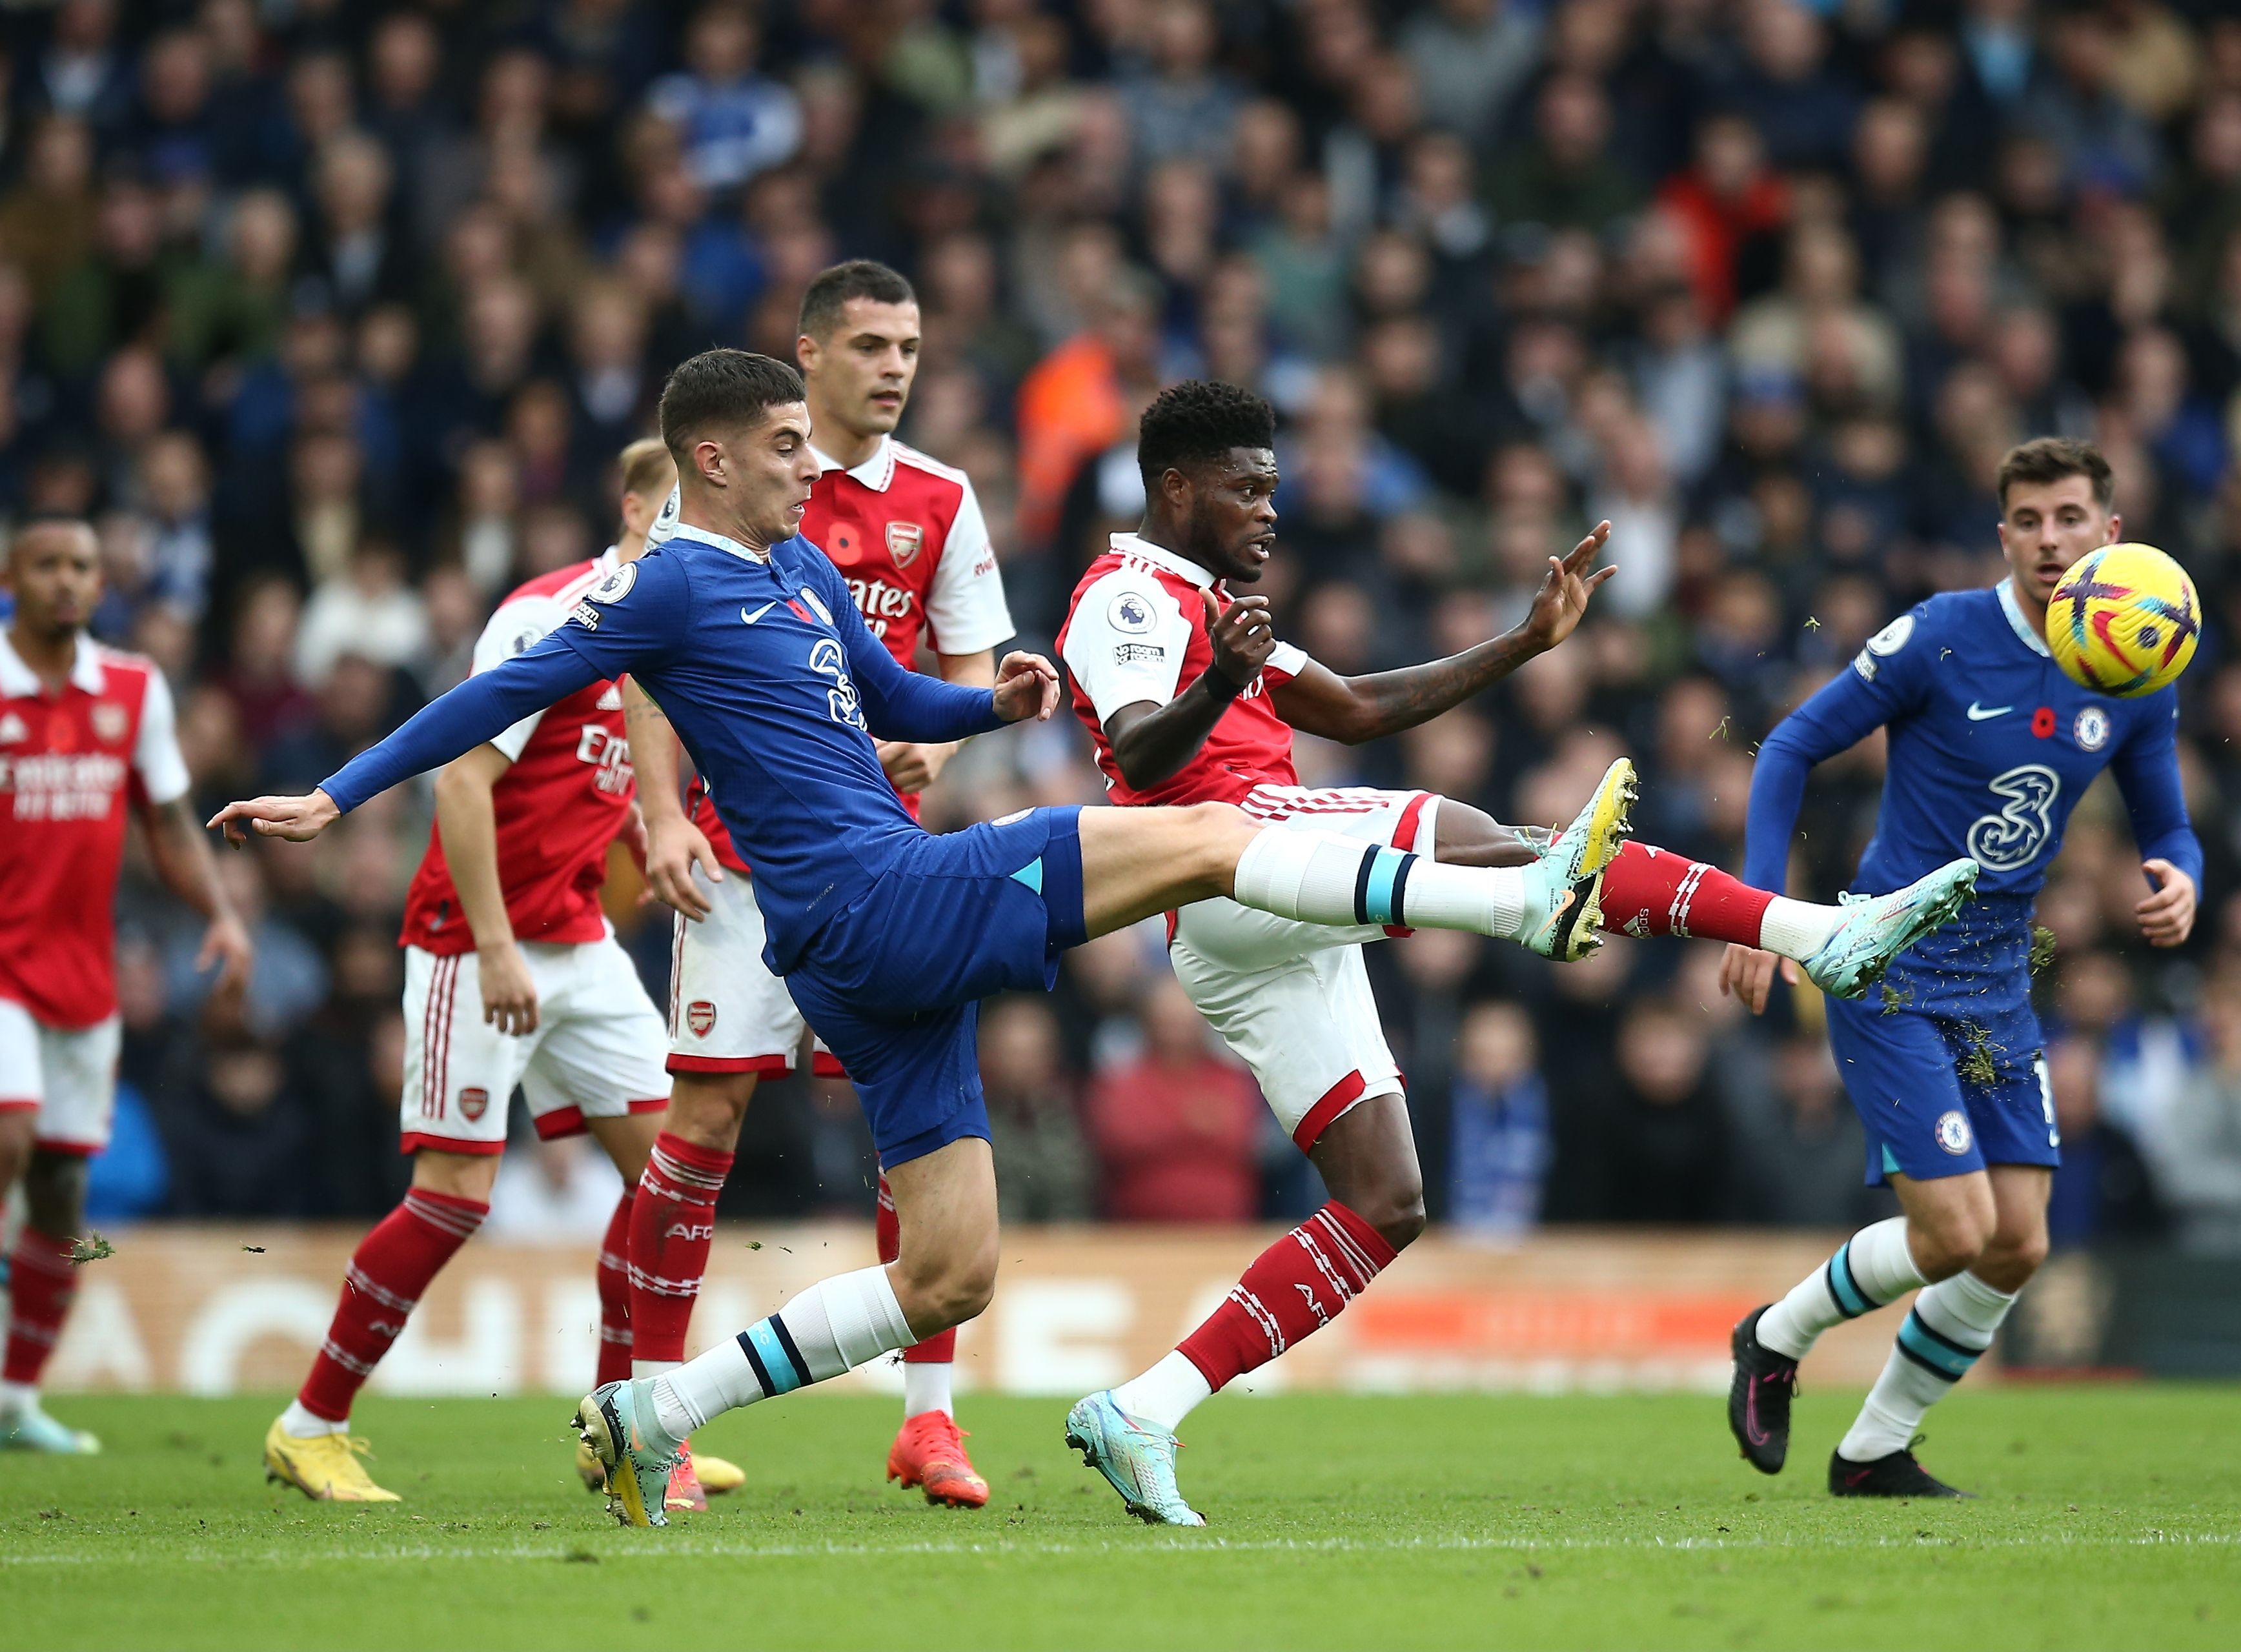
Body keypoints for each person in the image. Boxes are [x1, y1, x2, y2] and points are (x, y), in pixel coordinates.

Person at [210, 347, 1639, 1528]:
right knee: (1213, 832)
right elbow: (489, 700)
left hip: (851, 951)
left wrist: (999, 705)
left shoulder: (802, 575)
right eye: (780, 444)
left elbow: (896, 696)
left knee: (949, 1272)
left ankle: (655, 1407)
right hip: (879, 897)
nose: (804, 465)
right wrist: (337, 793)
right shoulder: (662, 583)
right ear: (710, 458)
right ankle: (1518, 896)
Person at [1049, 381, 1980, 1524]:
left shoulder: (1217, 604)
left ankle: (1144, 1408)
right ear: (1175, 488)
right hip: (1219, 861)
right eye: (1248, 488)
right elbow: (1143, 762)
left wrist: (1526, 642)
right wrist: (1222, 678)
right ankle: (1811, 932)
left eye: (1275, 488)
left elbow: (1356, 706)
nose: (1269, 510)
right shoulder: (1125, 596)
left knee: (1385, 1200)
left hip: (1263, 916)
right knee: (1503, 845)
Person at [259, 441, 739, 1510]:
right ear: (630, 502)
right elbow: (465, 786)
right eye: (679, 502)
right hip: (471, 942)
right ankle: (310, 1425)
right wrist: (495, 946)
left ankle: (625, 1424)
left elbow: (588, 781)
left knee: (670, 1170)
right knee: (455, 1199)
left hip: (577, 942)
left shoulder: (678, 634)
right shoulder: (548, 615)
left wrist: (646, 837)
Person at [1722, 436, 2201, 1498]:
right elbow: (1793, 746)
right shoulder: (1941, 636)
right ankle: (1774, 1336)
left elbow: (2172, 825)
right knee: (1955, 1233)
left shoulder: (2135, 665)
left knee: (2018, 1244)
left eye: (2071, 518)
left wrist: (2183, 878)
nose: (2049, 540)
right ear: (2004, 535)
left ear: (2109, 534)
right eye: (2029, 521)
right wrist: (1759, 912)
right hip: (1887, 965)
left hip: (1997, 984)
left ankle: (1876, 1450)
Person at [627, 260, 1014, 1509]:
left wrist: (936, 744)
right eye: (867, 346)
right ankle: (653, 1411)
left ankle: (927, 1421)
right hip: (741, 868)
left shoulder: (944, 500)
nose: (894, 366)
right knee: (701, 1127)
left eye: (908, 344)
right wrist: (657, 811)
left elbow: (968, 664)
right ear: (806, 355)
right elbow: (642, 657)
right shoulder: (733, 481)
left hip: (885, 867)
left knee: (915, 1144)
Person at [0, 517, 252, 1453]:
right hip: (1, 972)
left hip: (80, 974)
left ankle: (16, 1401)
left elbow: (169, 819)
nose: (68, 581)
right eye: (48, 565)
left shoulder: (131, 688)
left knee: (64, 1195)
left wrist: (221, 912)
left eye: (82, 567)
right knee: (10, 1125)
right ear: (12, 577)